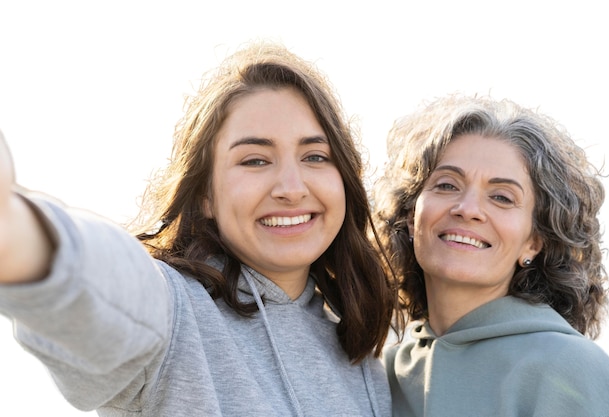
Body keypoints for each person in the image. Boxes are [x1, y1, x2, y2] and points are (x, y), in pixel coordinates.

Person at [0, 41, 398, 416]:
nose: (292, 189)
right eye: (255, 160)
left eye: (314, 156)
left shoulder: (364, 358)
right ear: (205, 194)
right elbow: (107, 283)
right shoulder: (173, 316)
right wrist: (19, 231)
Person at [372, 94, 609, 416]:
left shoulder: (576, 372)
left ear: (533, 242)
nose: (467, 209)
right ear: (411, 216)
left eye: (502, 197)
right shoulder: (383, 371)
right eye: (447, 185)